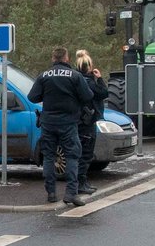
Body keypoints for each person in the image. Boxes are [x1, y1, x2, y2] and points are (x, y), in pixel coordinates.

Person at [26, 46, 94, 206]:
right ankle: (71, 193)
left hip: (48, 123)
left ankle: (51, 193)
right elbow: (88, 96)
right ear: (66, 58)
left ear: (53, 59)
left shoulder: (44, 76)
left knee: (49, 157)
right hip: (69, 123)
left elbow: (32, 97)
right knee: (72, 156)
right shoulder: (75, 76)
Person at [74, 48, 109, 195]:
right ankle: (81, 183)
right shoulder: (90, 82)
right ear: (89, 66)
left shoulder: (75, 80)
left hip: (77, 121)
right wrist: (99, 78)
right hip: (87, 123)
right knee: (86, 154)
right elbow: (103, 93)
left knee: (78, 153)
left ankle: (80, 182)